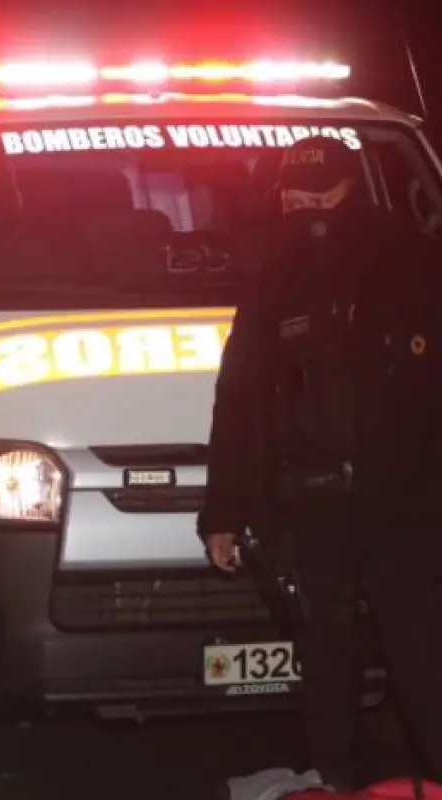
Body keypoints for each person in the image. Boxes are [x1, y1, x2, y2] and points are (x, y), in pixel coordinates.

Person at [199, 135, 442, 792]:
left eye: (322, 195)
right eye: (295, 196)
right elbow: (242, 399)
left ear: (352, 189)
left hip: (407, 507)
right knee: (327, 665)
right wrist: (224, 509)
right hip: (314, 506)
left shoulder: (417, 261)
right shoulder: (276, 278)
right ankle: (331, 782)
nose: (308, 210)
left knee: (422, 659)